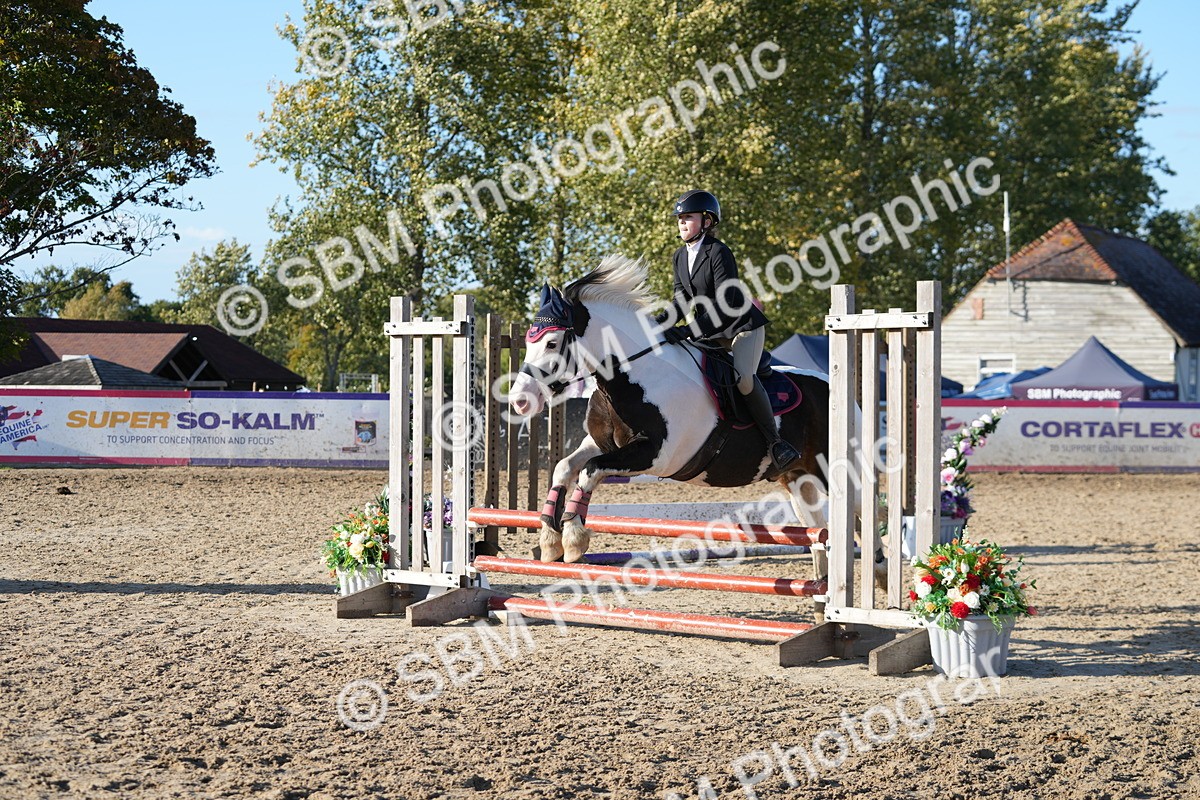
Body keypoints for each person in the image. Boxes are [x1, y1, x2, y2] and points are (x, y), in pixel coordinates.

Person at [657, 189, 801, 479]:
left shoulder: (718, 253)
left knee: (742, 379)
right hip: (709, 331)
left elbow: (725, 307)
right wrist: (655, 326)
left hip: (741, 327)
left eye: (688, 217)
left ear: (707, 221)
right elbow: (680, 302)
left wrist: (687, 331)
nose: (682, 223)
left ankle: (776, 443)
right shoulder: (679, 256)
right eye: (680, 218)